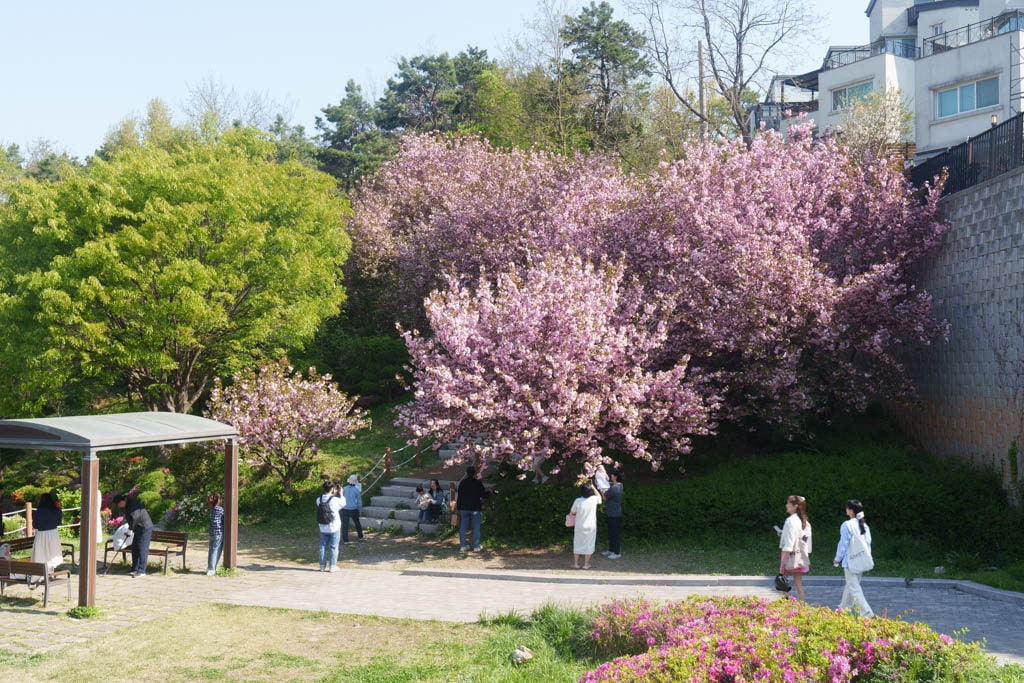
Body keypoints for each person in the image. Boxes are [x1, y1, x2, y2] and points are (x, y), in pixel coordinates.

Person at [833, 498, 875, 618]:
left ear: (851, 511)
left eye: (847, 508)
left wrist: (837, 558)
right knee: (851, 585)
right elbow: (868, 544)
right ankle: (843, 608)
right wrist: (868, 559)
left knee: (854, 587)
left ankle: (866, 612)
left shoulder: (847, 525)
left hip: (850, 561)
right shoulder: (865, 526)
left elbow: (843, 544)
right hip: (861, 560)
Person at [778, 494, 812, 601]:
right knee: (798, 583)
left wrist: (785, 559)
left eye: (788, 503)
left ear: (795, 506)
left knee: (783, 582)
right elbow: (804, 539)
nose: (786, 505)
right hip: (800, 555)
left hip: (789, 554)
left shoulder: (790, 521)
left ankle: (785, 604)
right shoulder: (804, 521)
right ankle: (802, 606)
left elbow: (790, 541)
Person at [113, 493, 153, 578]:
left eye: (119, 504)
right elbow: (131, 519)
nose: (119, 506)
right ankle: (135, 569)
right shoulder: (128, 503)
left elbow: (135, 517)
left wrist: (130, 530)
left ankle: (142, 570)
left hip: (144, 527)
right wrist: (129, 530)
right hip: (137, 528)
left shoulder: (133, 503)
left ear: (122, 500)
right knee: (135, 548)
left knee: (142, 548)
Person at [456, 466, 490, 552]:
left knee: (463, 527)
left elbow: (459, 496)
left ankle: (463, 546)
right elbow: (483, 495)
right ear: (475, 473)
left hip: (464, 508)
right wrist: (489, 492)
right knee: (476, 527)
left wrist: (458, 507)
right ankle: (476, 546)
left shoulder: (462, 483)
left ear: (467, 473)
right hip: (475, 508)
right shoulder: (477, 483)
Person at [570, 484, 601, 569]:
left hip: (579, 525)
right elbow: (600, 498)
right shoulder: (594, 499)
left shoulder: (578, 500)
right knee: (589, 544)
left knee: (577, 543)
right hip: (591, 526)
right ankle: (586, 564)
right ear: (590, 491)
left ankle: (576, 564)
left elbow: (573, 512)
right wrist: (593, 487)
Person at [30, 492, 63, 573]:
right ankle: (51, 571)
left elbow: (35, 525)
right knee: (52, 554)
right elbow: (58, 522)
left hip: (41, 534)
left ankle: (41, 573)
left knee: (41, 554)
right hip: (53, 534)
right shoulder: (57, 511)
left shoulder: (38, 512)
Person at [316, 481, 344, 572]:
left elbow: (326, 501)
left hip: (323, 526)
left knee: (322, 546)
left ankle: (322, 566)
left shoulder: (318, 499)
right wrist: (341, 493)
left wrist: (333, 493)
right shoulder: (335, 500)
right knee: (334, 547)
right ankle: (332, 566)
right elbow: (343, 503)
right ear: (332, 489)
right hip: (334, 527)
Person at [601, 469, 623, 559]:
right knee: (611, 533)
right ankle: (611, 550)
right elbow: (608, 483)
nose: (611, 476)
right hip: (612, 512)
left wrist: (601, 490)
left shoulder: (615, 487)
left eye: (612, 475)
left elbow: (605, 498)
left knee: (614, 533)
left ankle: (617, 552)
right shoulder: (619, 485)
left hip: (614, 513)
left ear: (615, 477)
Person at [341, 474, 364, 544]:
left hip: (345, 509)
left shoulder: (344, 489)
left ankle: (345, 540)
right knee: (357, 523)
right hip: (354, 509)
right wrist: (360, 511)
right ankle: (360, 536)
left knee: (345, 525)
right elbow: (359, 502)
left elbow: (341, 498)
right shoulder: (356, 490)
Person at [206, 492, 225, 576]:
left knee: (211, 550)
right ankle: (211, 569)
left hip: (212, 533)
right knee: (216, 551)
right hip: (219, 532)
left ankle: (210, 567)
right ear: (219, 500)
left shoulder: (212, 509)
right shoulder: (221, 509)